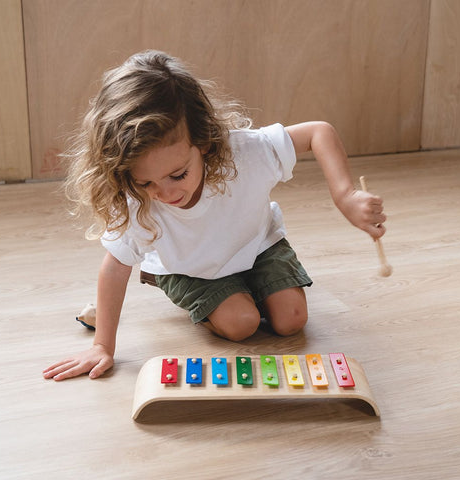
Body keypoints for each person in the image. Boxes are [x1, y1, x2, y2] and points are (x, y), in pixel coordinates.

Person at [43, 50, 386, 382]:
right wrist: (103, 345)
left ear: (204, 141)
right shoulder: (138, 205)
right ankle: (213, 298)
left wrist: (345, 196)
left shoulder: (245, 153)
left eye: (177, 175)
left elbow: (318, 132)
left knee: (292, 320)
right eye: (145, 181)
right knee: (242, 324)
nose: (165, 193)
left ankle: (248, 290)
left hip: (256, 245)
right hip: (189, 267)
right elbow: (115, 267)